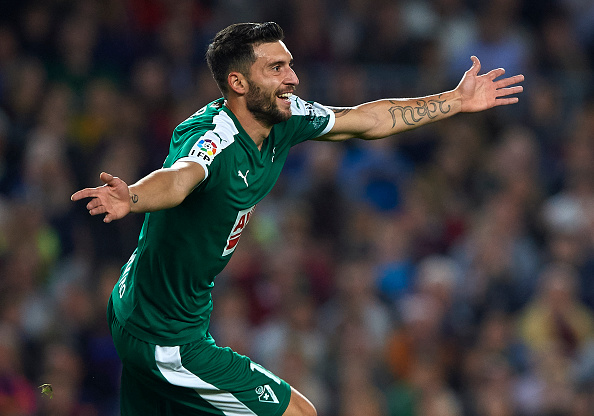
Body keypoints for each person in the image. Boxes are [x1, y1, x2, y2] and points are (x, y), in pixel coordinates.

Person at [71, 22, 524, 416]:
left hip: (148, 306)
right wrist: (132, 196)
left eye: (289, 64)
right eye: (276, 69)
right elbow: (180, 177)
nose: (293, 78)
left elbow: (365, 119)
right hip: (163, 335)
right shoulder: (214, 138)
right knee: (297, 412)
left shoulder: (284, 117)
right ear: (238, 83)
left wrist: (454, 101)